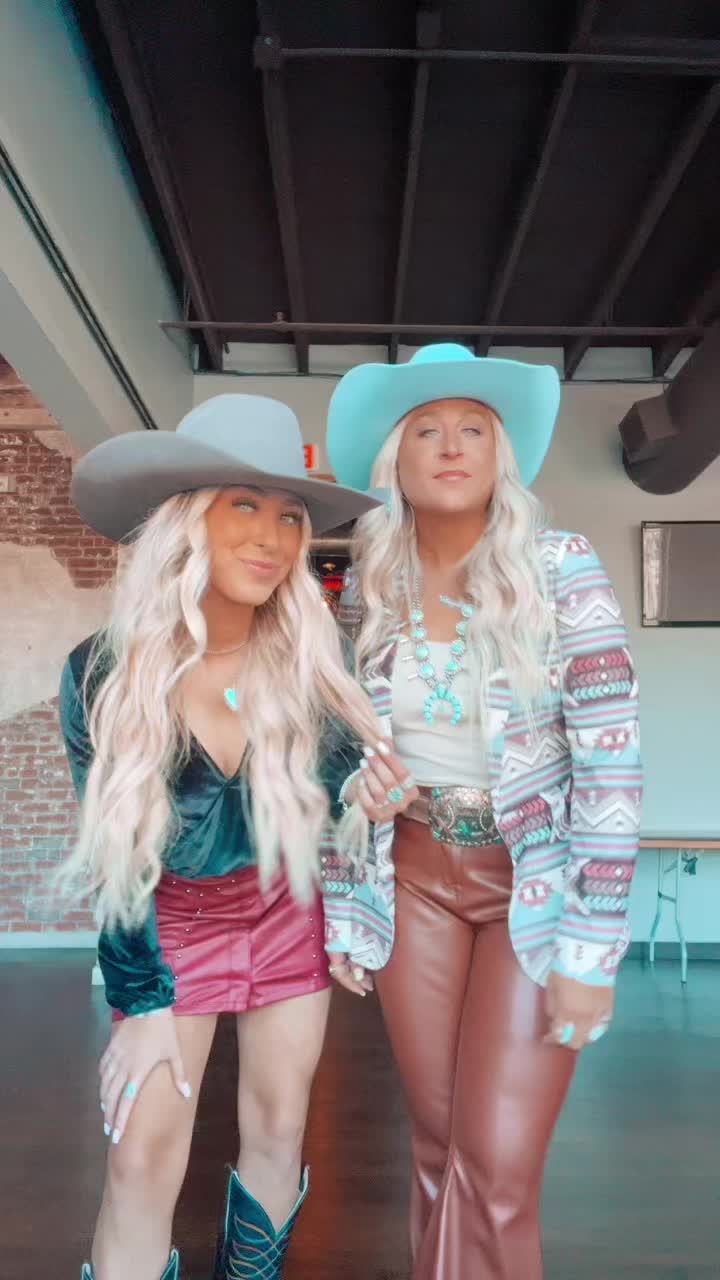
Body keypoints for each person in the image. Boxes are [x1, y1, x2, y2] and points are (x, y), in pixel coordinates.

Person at [58, 393, 416, 1280]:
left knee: (280, 1130)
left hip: (287, 916)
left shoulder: (313, 660)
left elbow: (344, 796)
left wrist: (371, 796)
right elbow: (117, 861)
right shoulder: (104, 672)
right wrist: (140, 1003)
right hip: (168, 930)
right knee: (141, 1160)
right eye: (244, 506)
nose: (272, 537)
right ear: (188, 522)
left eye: (290, 516)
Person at [323, 344, 643, 1279]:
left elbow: (613, 763)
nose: (452, 445)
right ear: (397, 462)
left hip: (532, 882)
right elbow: (341, 751)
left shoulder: (561, 567)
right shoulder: (372, 584)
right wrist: (355, 825)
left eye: (474, 429)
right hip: (412, 876)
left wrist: (591, 952)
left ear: (502, 455)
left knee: (496, 1162)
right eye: (427, 430)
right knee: (439, 1150)